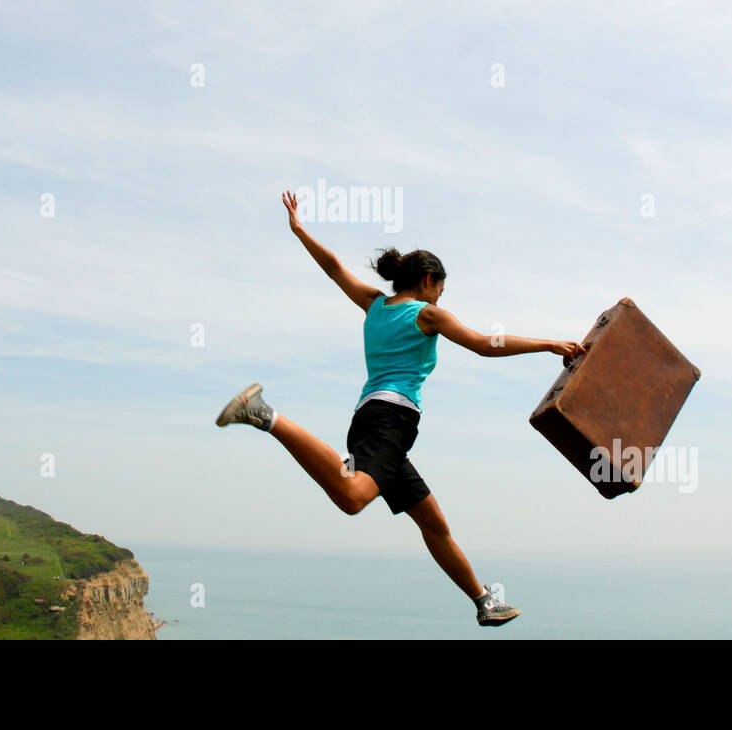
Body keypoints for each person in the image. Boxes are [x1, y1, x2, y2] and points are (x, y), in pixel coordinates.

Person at [215, 190, 587, 627]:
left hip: (376, 422)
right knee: (352, 497)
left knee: (433, 523)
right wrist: (548, 344)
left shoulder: (374, 303)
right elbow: (485, 344)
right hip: (388, 421)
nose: (440, 300)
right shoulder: (425, 315)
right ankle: (265, 415)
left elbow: (335, 269)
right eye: (440, 291)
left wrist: (300, 231)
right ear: (428, 280)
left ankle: (483, 600)